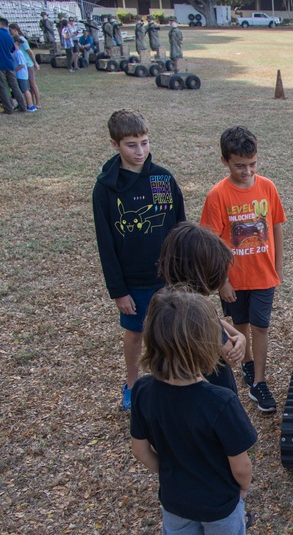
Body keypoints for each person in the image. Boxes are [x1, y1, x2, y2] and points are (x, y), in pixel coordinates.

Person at [129, 287, 284, 535]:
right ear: (203, 345)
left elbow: (140, 450)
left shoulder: (144, 391)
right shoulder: (220, 400)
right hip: (220, 502)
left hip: (175, 499)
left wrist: (168, 471)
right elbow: (241, 466)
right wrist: (241, 490)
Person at [93, 109, 186, 411]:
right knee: (135, 333)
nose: (140, 151)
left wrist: (181, 272)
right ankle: (132, 385)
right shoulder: (106, 189)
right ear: (114, 144)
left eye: (144, 143)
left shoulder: (161, 179)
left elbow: (178, 226)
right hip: (133, 282)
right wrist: (119, 291)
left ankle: (172, 381)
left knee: (171, 331)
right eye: (131, 145)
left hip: (167, 278)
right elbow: (105, 244)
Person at [199, 126, 286, 414]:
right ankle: (247, 363)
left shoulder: (268, 187)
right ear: (225, 161)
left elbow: (276, 226)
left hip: (263, 276)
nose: (247, 171)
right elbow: (211, 242)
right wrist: (221, 280)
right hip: (233, 280)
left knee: (261, 326)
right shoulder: (217, 196)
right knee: (241, 324)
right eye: (240, 165)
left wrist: (278, 267)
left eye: (253, 164)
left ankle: (259, 381)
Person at [157, 222, 247, 392]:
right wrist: (236, 343)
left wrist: (238, 335)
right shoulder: (198, 311)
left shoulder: (166, 300)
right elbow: (231, 358)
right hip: (214, 392)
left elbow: (215, 320)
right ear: (201, 272)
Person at [0, 17, 26, 113]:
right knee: (14, 85)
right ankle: (22, 105)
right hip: (9, 64)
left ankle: (8, 108)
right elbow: (11, 50)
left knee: (2, 86)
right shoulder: (9, 37)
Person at [9, 23, 39, 109]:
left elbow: (30, 52)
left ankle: (37, 102)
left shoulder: (22, 40)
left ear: (15, 29)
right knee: (27, 86)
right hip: (23, 64)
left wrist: (35, 63)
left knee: (32, 84)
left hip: (27, 64)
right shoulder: (16, 40)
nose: (10, 32)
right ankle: (31, 102)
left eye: (11, 30)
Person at [12, 36, 36, 112]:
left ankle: (30, 106)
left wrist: (14, 70)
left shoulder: (18, 52)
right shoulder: (17, 52)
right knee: (24, 90)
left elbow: (21, 64)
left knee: (25, 90)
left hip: (21, 75)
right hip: (21, 74)